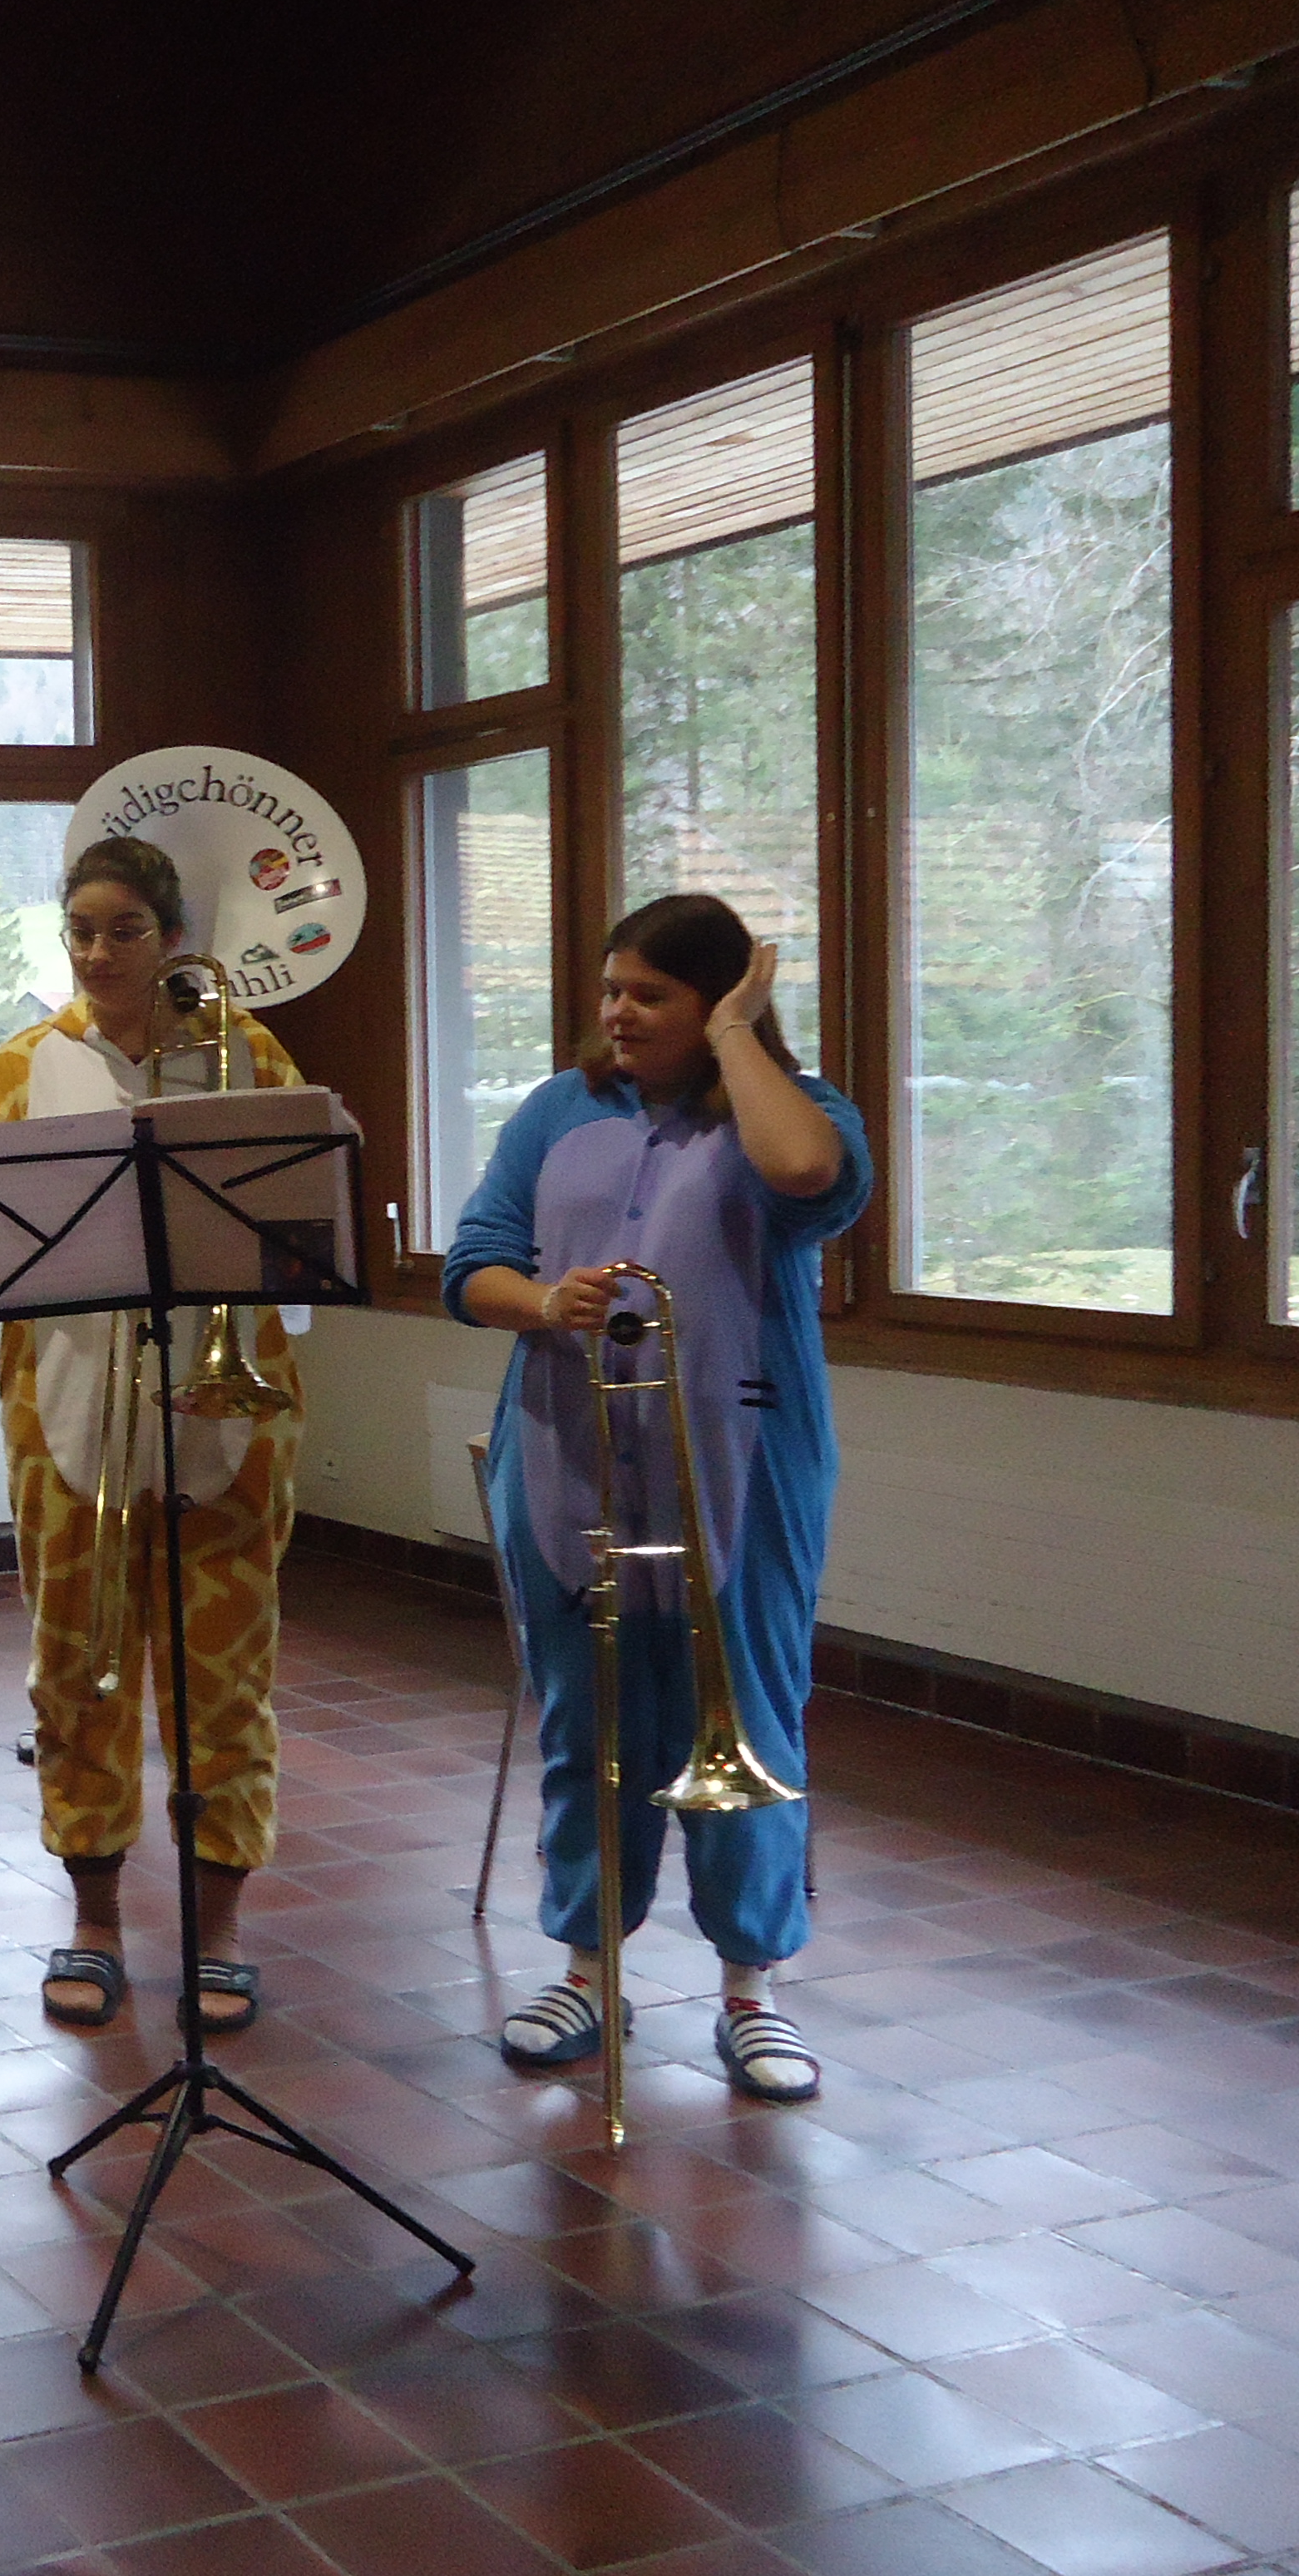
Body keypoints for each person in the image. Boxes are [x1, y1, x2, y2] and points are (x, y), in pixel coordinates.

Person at [447, 894, 869, 2104]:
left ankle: (751, 1990)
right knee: (589, 1727)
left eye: (651, 995)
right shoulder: (557, 1112)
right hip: (565, 1458)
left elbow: (808, 1177)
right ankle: (589, 1969)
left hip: (745, 1468)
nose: (618, 1013)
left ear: (716, 1002)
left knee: (748, 1723)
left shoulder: (797, 1110)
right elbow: (474, 1265)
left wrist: (740, 1036)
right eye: (611, 988)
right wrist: (547, 1304)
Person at [0, 837, 307, 2038]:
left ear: (174, 937)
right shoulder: (20, 1067)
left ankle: (221, 1930)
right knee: (78, 1670)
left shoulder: (248, 1053)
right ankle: (94, 1920)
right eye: (81, 931)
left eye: (125, 930)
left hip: (226, 1416)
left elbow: (302, 1207)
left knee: (227, 1679)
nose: (99, 954)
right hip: (69, 1411)